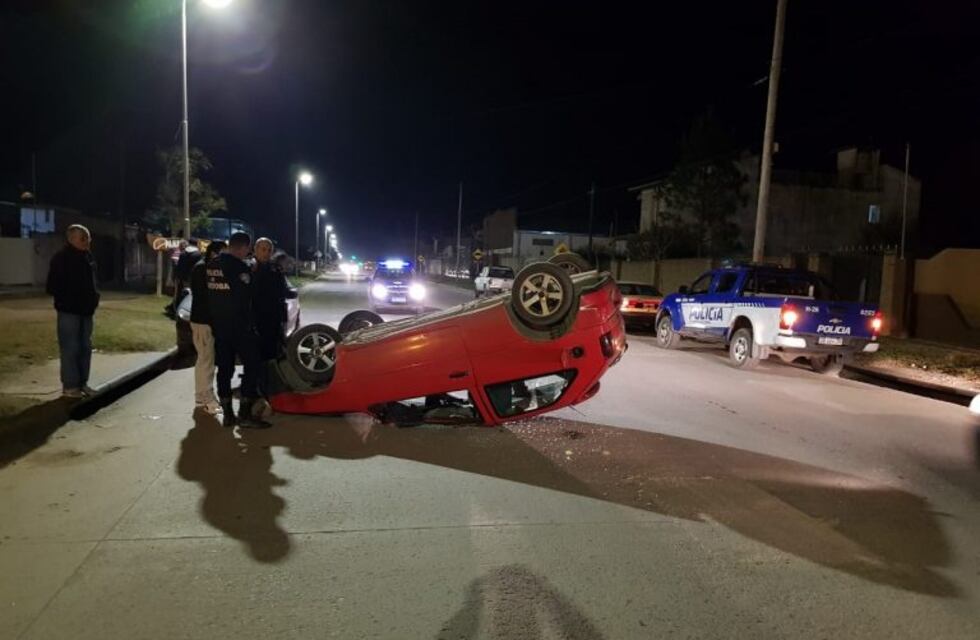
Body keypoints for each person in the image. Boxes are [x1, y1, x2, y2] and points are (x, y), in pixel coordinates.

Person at [206, 232, 271, 429]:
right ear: (243, 248)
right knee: (253, 366)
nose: (247, 253)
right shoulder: (239, 267)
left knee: (224, 369)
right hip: (240, 327)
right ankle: (244, 414)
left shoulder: (212, 265)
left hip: (220, 326)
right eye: (248, 249)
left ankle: (227, 415)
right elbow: (249, 294)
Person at [46, 224, 100, 398]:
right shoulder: (61, 258)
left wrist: (94, 298)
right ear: (71, 239)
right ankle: (70, 386)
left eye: (88, 237)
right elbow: (52, 286)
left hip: (86, 311)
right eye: (82, 238)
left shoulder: (88, 257)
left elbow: (92, 282)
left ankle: (82, 383)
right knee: (70, 348)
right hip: (69, 311)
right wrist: (71, 297)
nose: (87, 241)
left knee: (85, 347)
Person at [189, 240, 226, 414]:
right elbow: (208, 298)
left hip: (202, 320)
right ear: (214, 253)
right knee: (206, 362)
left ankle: (200, 396)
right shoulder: (203, 269)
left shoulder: (202, 267)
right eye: (223, 254)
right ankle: (207, 400)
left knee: (203, 360)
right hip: (203, 321)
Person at [251, 237, 289, 363]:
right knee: (254, 354)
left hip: (273, 320)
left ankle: (268, 380)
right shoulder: (248, 268)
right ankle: (254, 380)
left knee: (271, 354)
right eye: (263, 249)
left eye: (269, 250)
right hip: (254, 320)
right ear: (255, 250)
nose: (266, 253)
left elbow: (282, 294)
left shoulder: (276, 270)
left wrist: (283, 319)